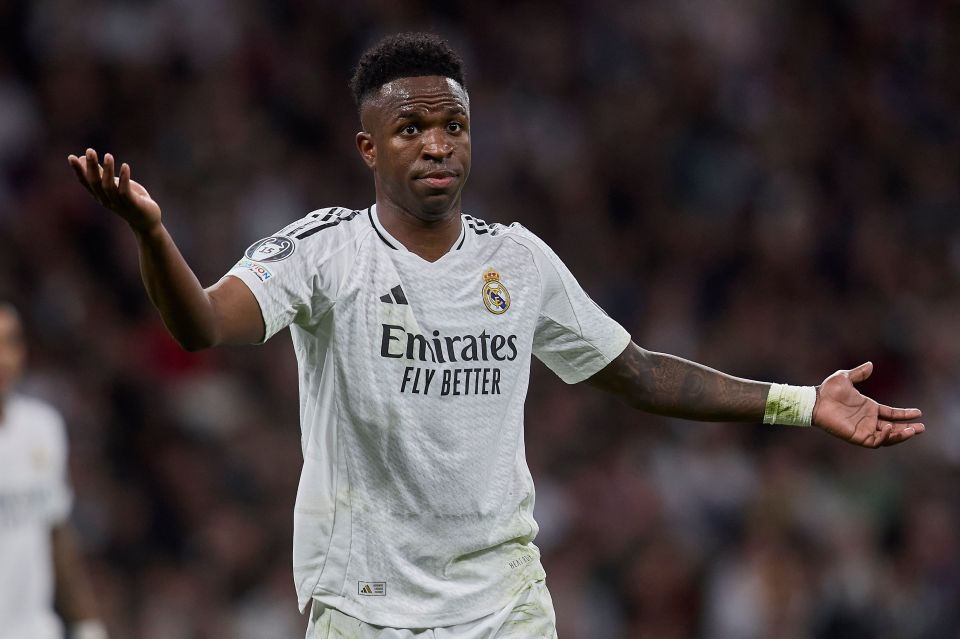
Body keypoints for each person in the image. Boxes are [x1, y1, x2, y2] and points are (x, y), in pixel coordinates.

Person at [67, 32, 924, 638]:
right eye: (412, 130)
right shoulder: (324, 253)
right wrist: (150, 235)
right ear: (368, 146)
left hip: (504, 599)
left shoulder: (518, 261)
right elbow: (202, 324)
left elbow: (640, 374)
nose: (438, 145)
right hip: (367, 605)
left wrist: (802, 401)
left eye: (454, 127)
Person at [0, 302, 108, 639]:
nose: (3, 358)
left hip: (35, 629)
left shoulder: (43, 426)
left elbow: (56, 532)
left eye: (11, 342)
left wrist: (87, 624)